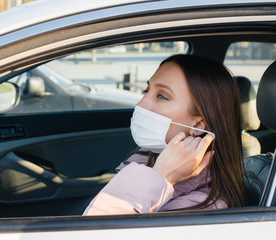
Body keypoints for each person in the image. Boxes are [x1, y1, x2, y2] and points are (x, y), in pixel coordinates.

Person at [83, 54, 246, 215]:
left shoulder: (198, 211)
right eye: (146, 90)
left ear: (198, 125)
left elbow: (95, 230)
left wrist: (161, 175)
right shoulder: (146, 161)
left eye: (162, 96)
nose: (141, 104)